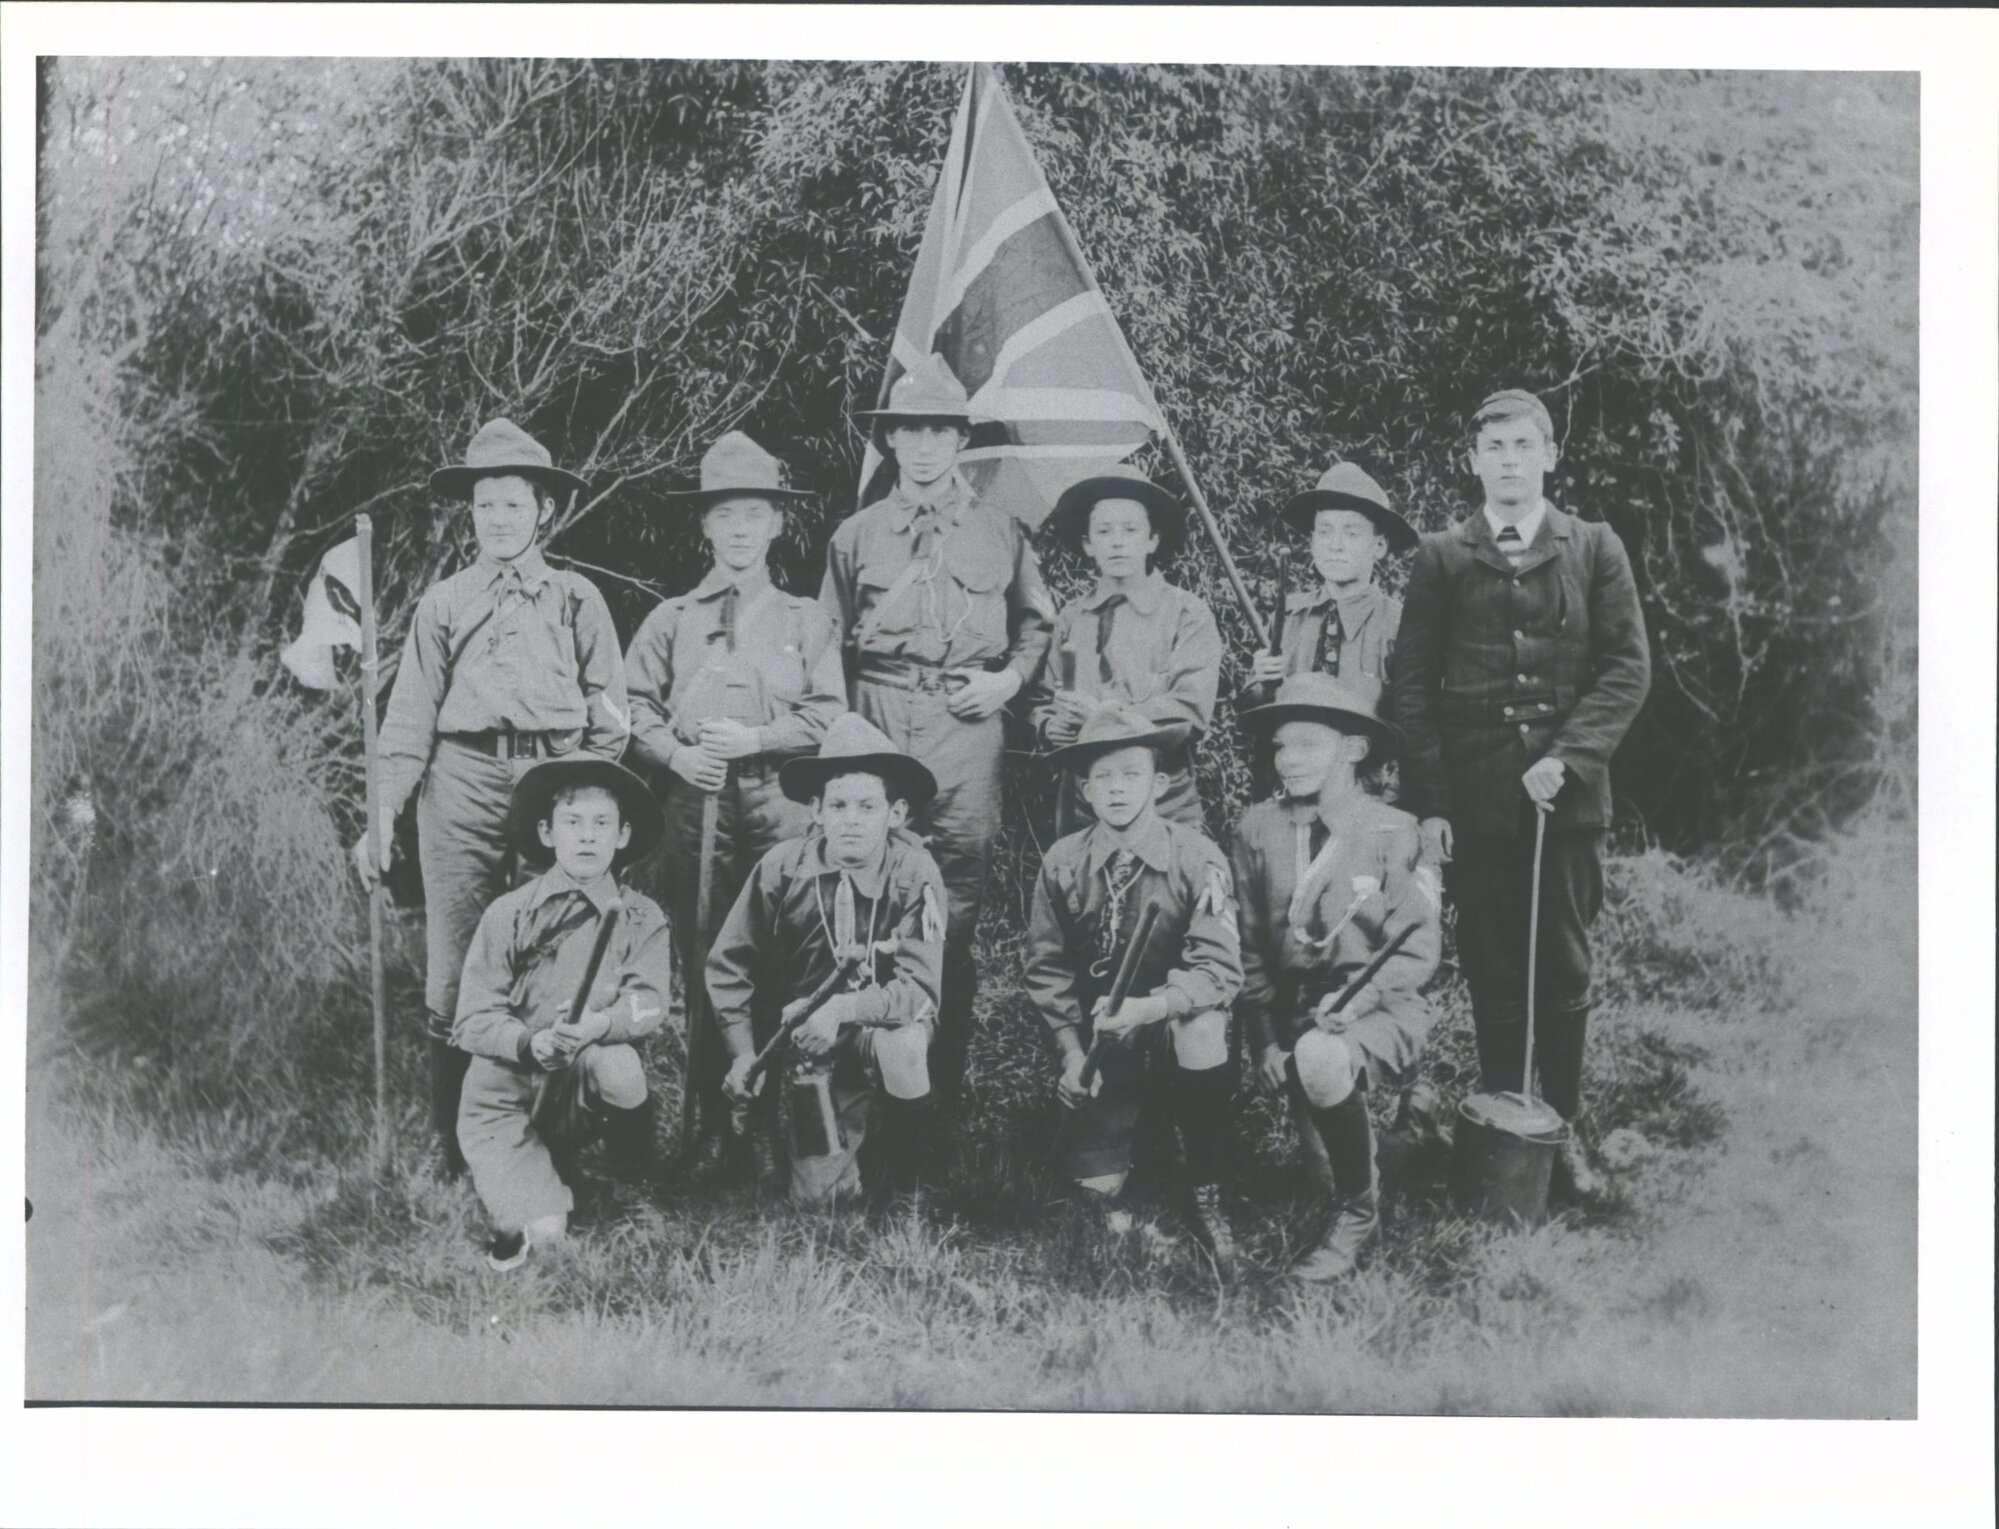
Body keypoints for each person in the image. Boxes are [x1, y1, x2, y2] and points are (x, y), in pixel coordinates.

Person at [1390, 388, 1650, 1199]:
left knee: (1562, 958)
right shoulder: (1440, 554)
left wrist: (1567, 756)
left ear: (1549, 455)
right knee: (1493, 961)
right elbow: (1411, 688)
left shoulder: (1595, 546)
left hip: (1565, 801)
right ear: (1472, 461)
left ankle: (1562, 1133)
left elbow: (1626, 668)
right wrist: (1431, 801)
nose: (1507, 460)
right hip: (1473, 799)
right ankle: (1505, 1124)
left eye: (1521, 445)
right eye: (1492, 446)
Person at [354, 419, 630, 1178]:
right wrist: (381, 815)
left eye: (514, 504)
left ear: (543, 509)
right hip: (463, 785)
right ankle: (459, 1148)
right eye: (485, 506)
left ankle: (554, 1142)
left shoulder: (577, 600)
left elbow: (613, 715)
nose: (499, 519)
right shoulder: (444, 604)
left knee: (554, 958)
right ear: (469, 514)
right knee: (457, 965)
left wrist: (586, 797)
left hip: (554, 784)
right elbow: (408, 721)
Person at [820, 353, 1055, 1107]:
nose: (923, 446)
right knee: (861, 883)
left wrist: (1007, 681)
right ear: (890, 442)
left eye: (939, 431)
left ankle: (936, 1100)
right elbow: (824, 638)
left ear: (960, 442)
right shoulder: (856, 535)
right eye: (909, 431)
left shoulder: (999, 531)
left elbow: (1036, 623)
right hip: (877, 717)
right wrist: (841, 725)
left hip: (965, 727)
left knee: (953, 903)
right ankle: (858, 1084)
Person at [625, 431, 846, 1160]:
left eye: (755, 513)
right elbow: (630, 708)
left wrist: (755, 740)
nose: (741, 529)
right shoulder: (671, 619)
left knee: (785, 956)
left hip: (779, 800)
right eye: (726, 514)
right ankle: (714, 1124)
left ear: (777, 523)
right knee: (705, 954)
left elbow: (826, 713)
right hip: (694, 805)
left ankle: (787, 1127)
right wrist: (678, 756)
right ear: (705, 525)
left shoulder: (806, 620)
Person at [1232, 674, 1442, 1280]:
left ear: (1353, 749)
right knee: (1321, 1168)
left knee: (1324, 1062)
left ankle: (1359, 1214)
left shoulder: (1394, 829)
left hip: (1379, 1007)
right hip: (1297, 1019)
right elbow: (1249, 946)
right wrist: (1266, 1039)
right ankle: (1411, 1144)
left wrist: (1357, 1001)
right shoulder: (1256, 829)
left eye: (1306, 744)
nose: (1288, 759)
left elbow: (1417, 947)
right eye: (1278, 746)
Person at [1022, 702, 1244, 1264]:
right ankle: (1128, 1139)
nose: (1117, 790)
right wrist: (1071, 1056)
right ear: (1085, 790)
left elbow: (1218, 971)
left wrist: (1149, 1009)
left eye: (1131, 774)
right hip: (1103, 1050)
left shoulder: (1198, 857)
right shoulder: (1063, 863)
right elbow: (1047, 971)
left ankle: (1208, 1187)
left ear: (1159, 783)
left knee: (1205, 1024)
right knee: (1096, 1194)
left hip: (1167, 1031)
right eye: (1103, 777)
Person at [710, 713, 946, 1207]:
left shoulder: (915, 870)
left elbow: (919, 992)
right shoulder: (782, 867)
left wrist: (841, 1010)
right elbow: (728, 967)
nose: (852, 819)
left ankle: (909, 1186)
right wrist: (742, 1054)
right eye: (838, 805)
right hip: (806, 1044)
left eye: (867, 806)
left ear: (896, 813)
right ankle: (826, 1151)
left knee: (904, 1046)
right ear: (815, 810)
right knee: (821, 1201)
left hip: (876, 1029)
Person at [451, 756, 671, 1271]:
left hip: (576, 1088)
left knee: (620, 1065)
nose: (588, 838)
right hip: (506, 1098)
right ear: (548, 833)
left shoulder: (641, 916)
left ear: (623, 835)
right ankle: (532, 1181)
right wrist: (531, 1042)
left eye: (602, 824)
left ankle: (633, 1187)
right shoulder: (509, 913)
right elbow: (471, 1020)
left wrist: (600, 1025)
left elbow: (650, 1002)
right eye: (573, 823)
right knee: (543, 1240)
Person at [1027, 468, 1222, 834]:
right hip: (1082, 802)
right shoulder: (1072, 618)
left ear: (1152, 539)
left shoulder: (1185, 613)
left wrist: (1101, 715)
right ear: (1087, 544)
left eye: (1130, 530)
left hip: (1163, 798)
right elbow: (1044, 697)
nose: (1117, 542)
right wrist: (1050, 726)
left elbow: (1189, 711)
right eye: (1104, 531)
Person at [1247, 461, 1417, 706]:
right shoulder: (1288, 617)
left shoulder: (1398, 625)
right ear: (1313, 540)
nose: (1335, 545)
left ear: (1379, 546)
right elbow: (1253, 714)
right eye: (1325, 532)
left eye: (1352, 533)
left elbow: (1416, 718)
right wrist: (1262, 684)